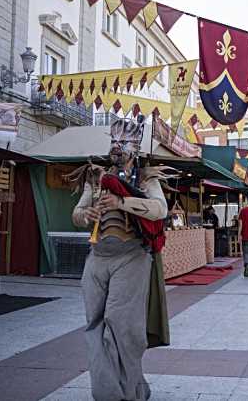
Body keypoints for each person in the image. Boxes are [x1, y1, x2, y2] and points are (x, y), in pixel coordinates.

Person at [69, 117, 169, 401]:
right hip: (98, 256)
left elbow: (159, 210)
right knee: (94, 325)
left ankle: (132, 388)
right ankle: (107, 392)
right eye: (113, 142)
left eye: (123, 143)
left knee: (123, 325)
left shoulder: (146, 177)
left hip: (131, 257)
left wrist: (122, 202)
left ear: (135, 147)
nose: (116, 147)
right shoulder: (95, 176)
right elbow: (77, 212)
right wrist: (84, 215)